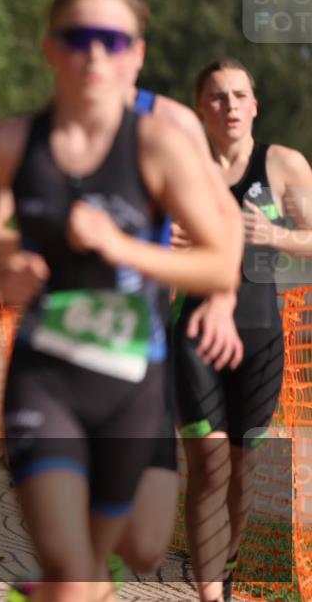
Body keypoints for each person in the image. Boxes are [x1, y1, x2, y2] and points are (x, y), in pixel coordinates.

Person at [0, 0, 240, 602]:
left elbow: (219, 261)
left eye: (114, 40)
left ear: (137, 53)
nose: (96, 54)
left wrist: (121, 246)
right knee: (70, 567)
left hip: (133, 383)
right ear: (51, 48)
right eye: (79, 37)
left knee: (136, 553)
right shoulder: (9, 143)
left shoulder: (160, 142)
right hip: (45, 377)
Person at [174, 58, 312, 602]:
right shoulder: (180, 166)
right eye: (217, 96)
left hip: (260, 334)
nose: (229, 105)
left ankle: (226, 563)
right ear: (199, 109)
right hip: (195, 332)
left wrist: (275, 235)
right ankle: (210, 594)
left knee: (241, 467)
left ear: (255, 105)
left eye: (238, 95)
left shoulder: (282, 164)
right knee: (208, 463)